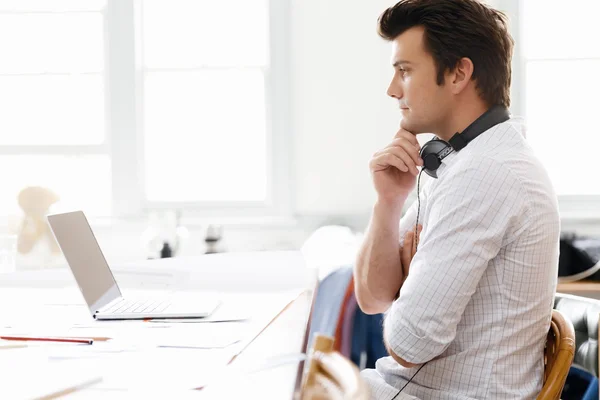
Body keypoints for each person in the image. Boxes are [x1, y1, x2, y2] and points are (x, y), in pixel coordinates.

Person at [353, 0, 560, 399]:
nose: (392, 89)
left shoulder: (485, 173)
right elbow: (372, 297)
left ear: (459, 73)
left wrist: (411, 279)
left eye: (405, 71)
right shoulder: (457, 162)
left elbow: (409, 344)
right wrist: (388, 203)